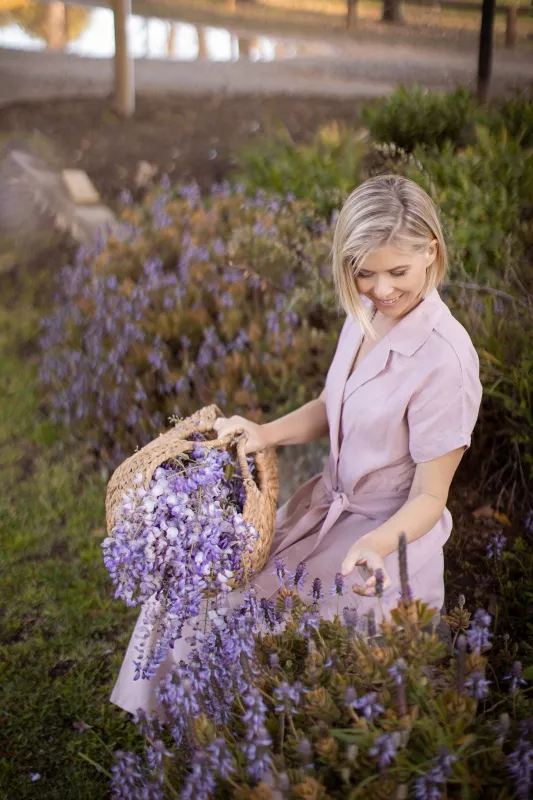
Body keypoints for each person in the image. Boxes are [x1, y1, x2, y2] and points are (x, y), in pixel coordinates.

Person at [110, 174, 482, 716]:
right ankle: (186, 722)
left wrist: (376, 546)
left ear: (431, 252)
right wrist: (263, 432)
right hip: (324, 510)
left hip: (382, 541)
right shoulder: (368, 316)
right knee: (203, 579)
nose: (382, 289)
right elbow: (333, 405)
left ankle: (233, 741)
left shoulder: (445, 361)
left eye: (398, 272)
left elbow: (429, 498)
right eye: (364, 274)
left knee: (253, 614)